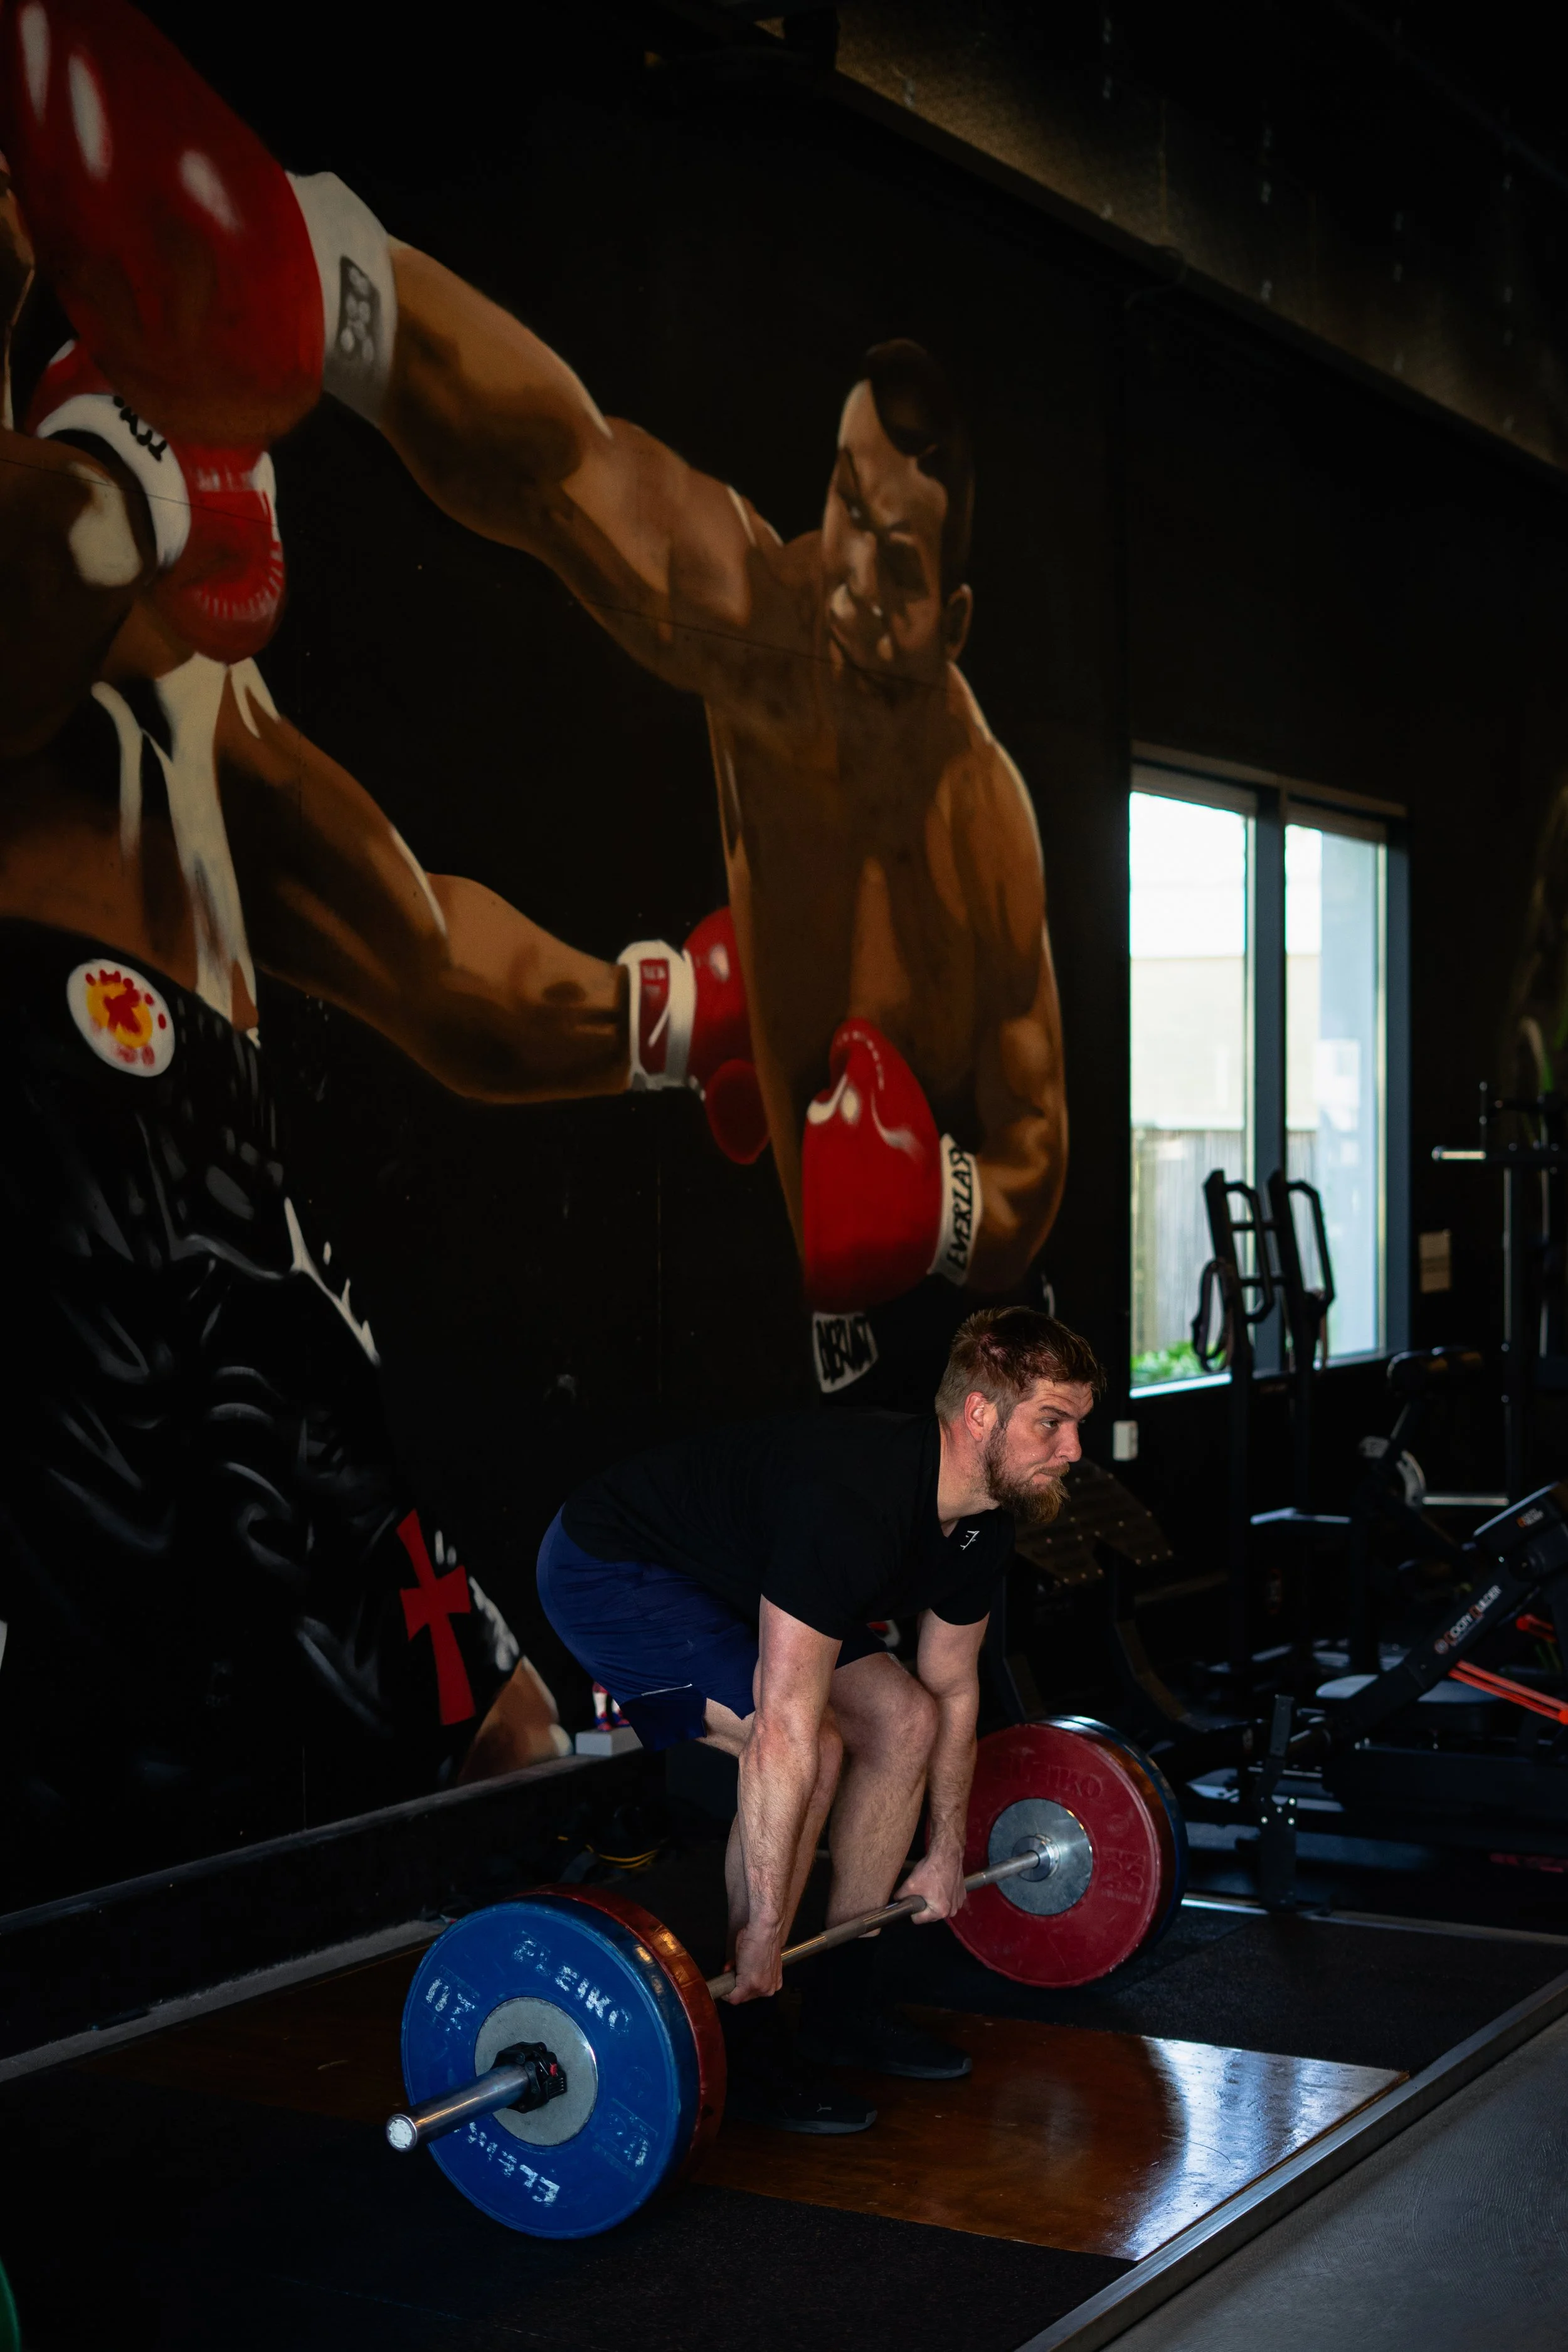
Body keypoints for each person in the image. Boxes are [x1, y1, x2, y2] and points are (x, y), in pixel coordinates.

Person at [537, 1308, 1104, 2131]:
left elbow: (951, 1688)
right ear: (980, 1413)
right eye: (1052, 1422)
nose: (1074, 1449)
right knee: (816, 1748)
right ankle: (749, 2026)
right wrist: (767, 1928)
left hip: (741, 1575)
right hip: (614, 1571)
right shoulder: (855, 1501)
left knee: (905, 1720)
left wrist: (945, 1849)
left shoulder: (983, 1523)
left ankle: (844, 2005)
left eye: (1077, 1424)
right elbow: (783, 1733)